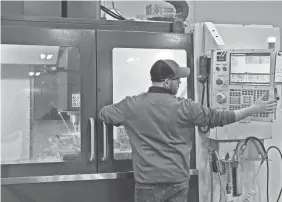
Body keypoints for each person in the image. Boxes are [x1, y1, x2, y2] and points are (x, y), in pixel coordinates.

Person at [99, 59, 277, 202]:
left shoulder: (132, 105)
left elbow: (104, 114)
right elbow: (222, 117)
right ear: (167, 82)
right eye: (177, 79)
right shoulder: (185, 108)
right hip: (177, 184)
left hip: (147, 185)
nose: (180, 82)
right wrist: (253, 108)